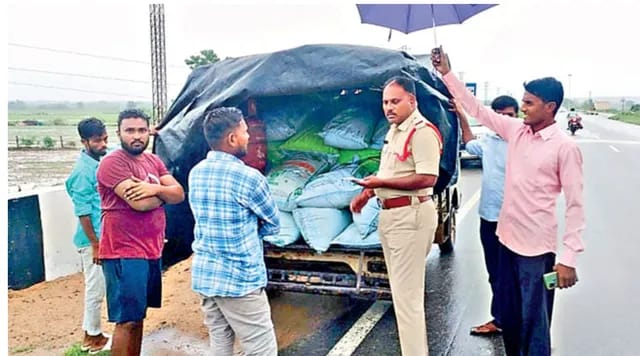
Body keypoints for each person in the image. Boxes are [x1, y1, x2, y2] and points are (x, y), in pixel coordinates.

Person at [432, 48, 584, 356]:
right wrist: (447, 72)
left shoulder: (564, 148)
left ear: (550, 107)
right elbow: (477, 109)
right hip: (506, 241)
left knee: (535, 323)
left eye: (529, 103)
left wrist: (568, 258)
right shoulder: (516, 131)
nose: (523, 108)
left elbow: (576, 206)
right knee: (511, 320)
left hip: (537, 252)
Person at [350, 76, 442, 356]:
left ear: (411, 101)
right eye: (385, 102)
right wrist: (368, 193)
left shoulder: (421, 131)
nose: (389, 107)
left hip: (410, 215)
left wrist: (379, 185)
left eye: (395, 101)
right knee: (401, 296)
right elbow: (391, 172)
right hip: (392, 215)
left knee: (408, 299)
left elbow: (428, 177)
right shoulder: (395, 131)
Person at [188, 107, 280, 356]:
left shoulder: (196, 173)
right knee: (262, 349)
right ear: (232, 139)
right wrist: (252, 229)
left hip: (207, 275)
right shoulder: (249, 178)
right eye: (245, 131)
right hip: (240, 279)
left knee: (220, 343)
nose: (249, 137)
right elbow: (273, 223)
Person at [96, 109, 185, 356]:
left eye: (141, 130)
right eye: (130, 130)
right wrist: (162, 192)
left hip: (150, 250)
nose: (136, 136)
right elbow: (141, 204)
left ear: (149, 132)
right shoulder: (112, 163)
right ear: (119, 133)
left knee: (138, 317)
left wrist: (150, 188)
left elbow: (179, 193)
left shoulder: (153, 161)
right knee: (126, 321)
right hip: (124, 251)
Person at [452, 96, 519, 337]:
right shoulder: (489, 141)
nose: (504, 120)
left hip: (518, 220)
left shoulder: (524, 142)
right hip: (489, 218)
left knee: (518, 273)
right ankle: (501, 319)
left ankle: (520, 319)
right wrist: (461, 114)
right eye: (499, 115)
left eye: (509, 115)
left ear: (517, 117)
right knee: (495, 273)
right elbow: (469, 143)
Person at [64, 117, 111, 354]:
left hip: (102, 237)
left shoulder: (100, 159)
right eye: (97, 140)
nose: (103, 144)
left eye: (105, 138)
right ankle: (92, 338)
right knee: (95, 289)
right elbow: (82, 212)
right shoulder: (83, 172)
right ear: (84, 142)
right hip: (92, 240)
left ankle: (93, 333)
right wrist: (96, 244)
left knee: (99, 287)